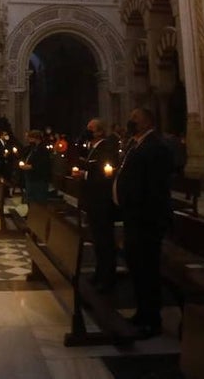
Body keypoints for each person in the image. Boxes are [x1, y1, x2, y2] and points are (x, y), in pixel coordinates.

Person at [114, 106, 173, 339]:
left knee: (147, 269)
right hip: (134, 218)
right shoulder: (137, 144)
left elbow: (154, 187)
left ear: (148, 122)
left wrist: (136, 205)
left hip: (146, 220)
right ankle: (142, 312)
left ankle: (152, 319)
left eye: (135, 119)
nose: (131, 122)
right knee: (137, 268)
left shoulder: (156, 146)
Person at [81, 117, 121, 291]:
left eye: (91, 128)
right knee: (97, 240)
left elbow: (105, 172)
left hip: (102, 201)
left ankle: (108, 277)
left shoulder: (106, 147)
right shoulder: (93, 148)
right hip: (93, 200)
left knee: (105, 240)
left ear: (99, 132)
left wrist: (86, 174)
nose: (88, 131)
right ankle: (99, 272)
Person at [17, 129, 52, 204]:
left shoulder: (42, 149)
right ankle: (31, 210)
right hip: (31, 177)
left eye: (30, 138)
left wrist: (29, 166)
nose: (29, 140)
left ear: (36, 138)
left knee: (38, 201)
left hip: (38, 180)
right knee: (30, 199)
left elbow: (42, 164)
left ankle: (36, 211)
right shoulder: (33, 148)